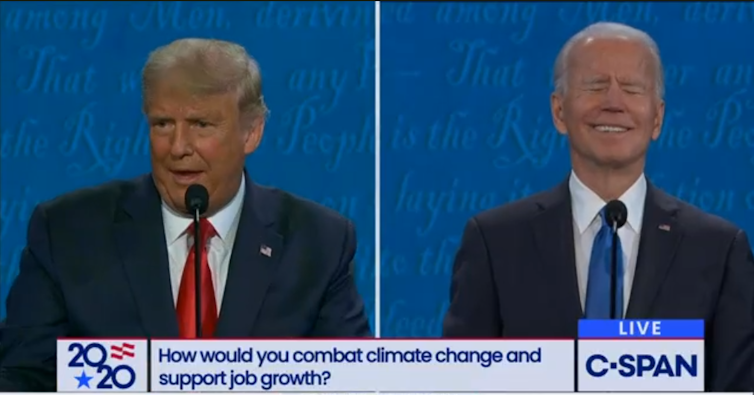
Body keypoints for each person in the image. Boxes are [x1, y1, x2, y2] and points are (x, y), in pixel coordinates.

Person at [0, 38, 372, 391]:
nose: (178, 147)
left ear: (252, 133)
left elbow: (352, 383)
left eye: (200, 125)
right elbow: (23, 377)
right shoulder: (68, 232)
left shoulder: (319, 244)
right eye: (163, 124)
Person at [442, 22, 754, 391]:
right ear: (559, 112)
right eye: (594, 86)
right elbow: (462, 382)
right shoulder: (494, 241)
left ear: (657, 118)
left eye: (633, 89)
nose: (613, 103)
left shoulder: (718, 249)